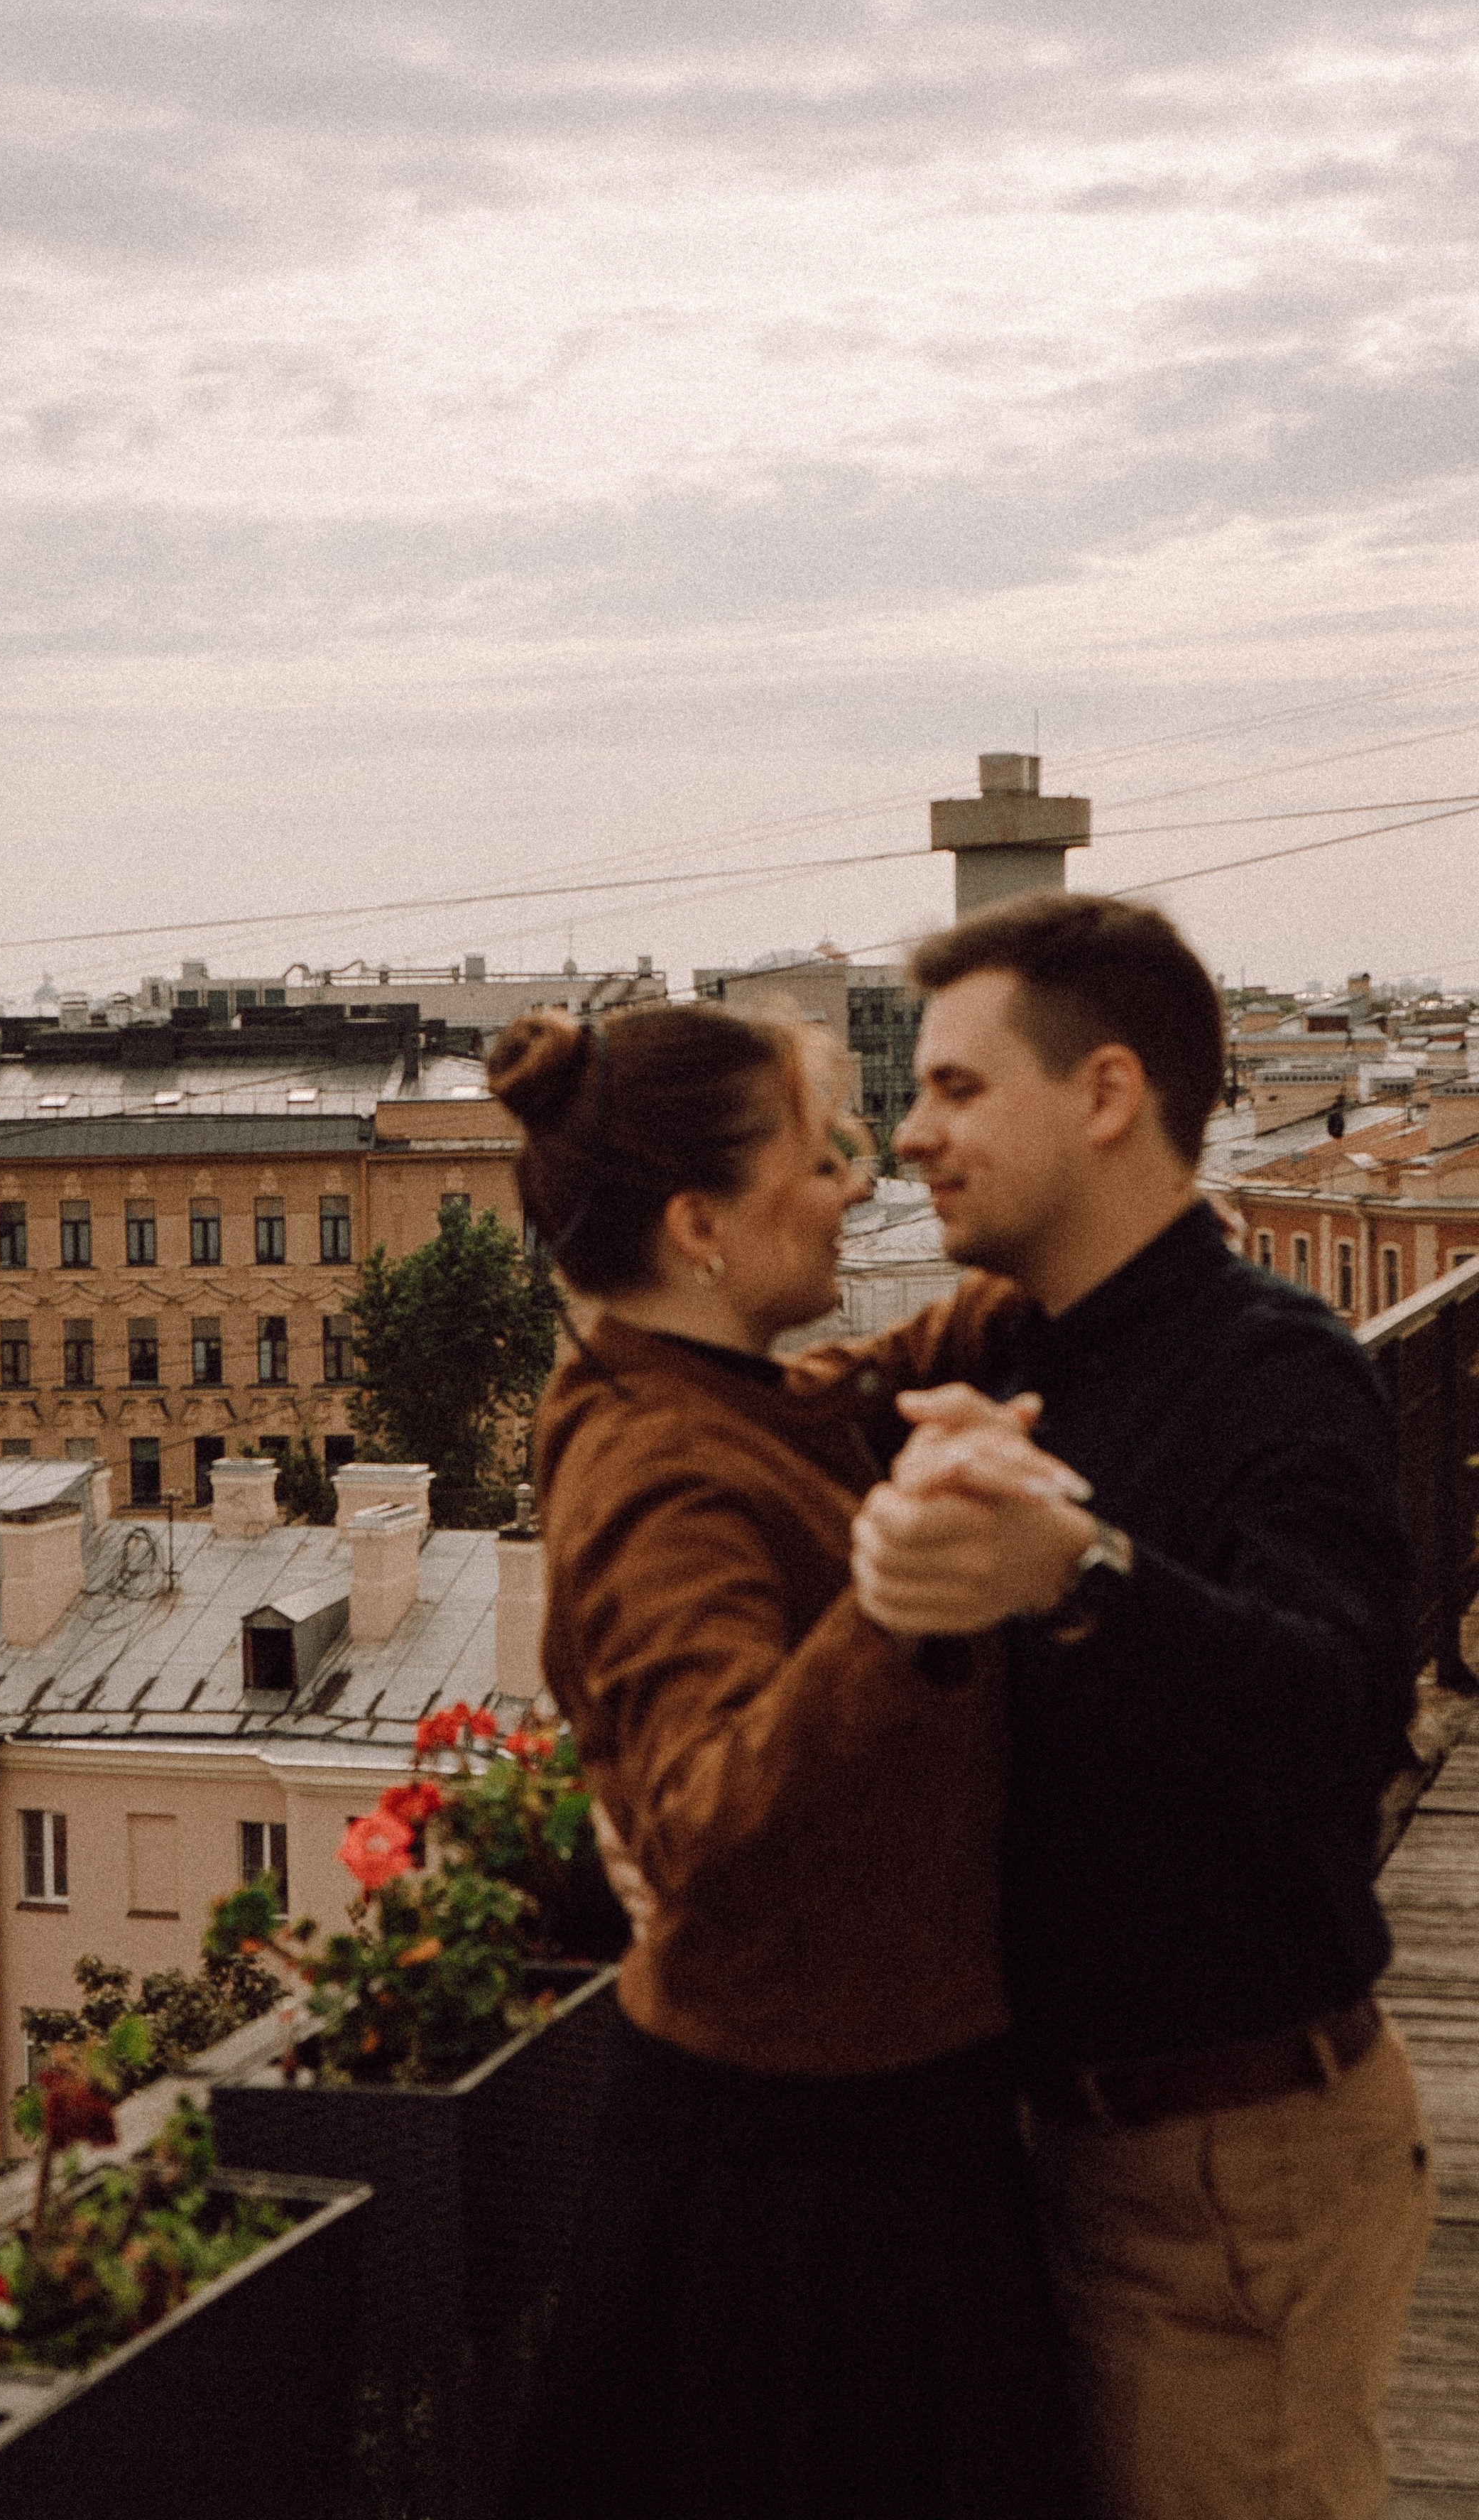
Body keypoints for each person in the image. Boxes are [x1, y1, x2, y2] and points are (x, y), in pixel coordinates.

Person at [851, 891, 1434, 2520]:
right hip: (1079, 2151)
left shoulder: (1274, 1367)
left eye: (957, 1089)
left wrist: (1078, 1571)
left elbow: (1337, 1723)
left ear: (1103, 1095)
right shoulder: (1042, 1352)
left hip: (1224, 2176)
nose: (909, 1140)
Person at [486, 1000, 1082, 2520]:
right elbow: (699, 1820)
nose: (854, 1185)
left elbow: (815, 1406)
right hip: (809, 2213)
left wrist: (1033, 1273)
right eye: (818, 1161)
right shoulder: (656, 1470)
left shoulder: (674, 1394)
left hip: (828, 2154)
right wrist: (898, 1597)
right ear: (698, 1224)